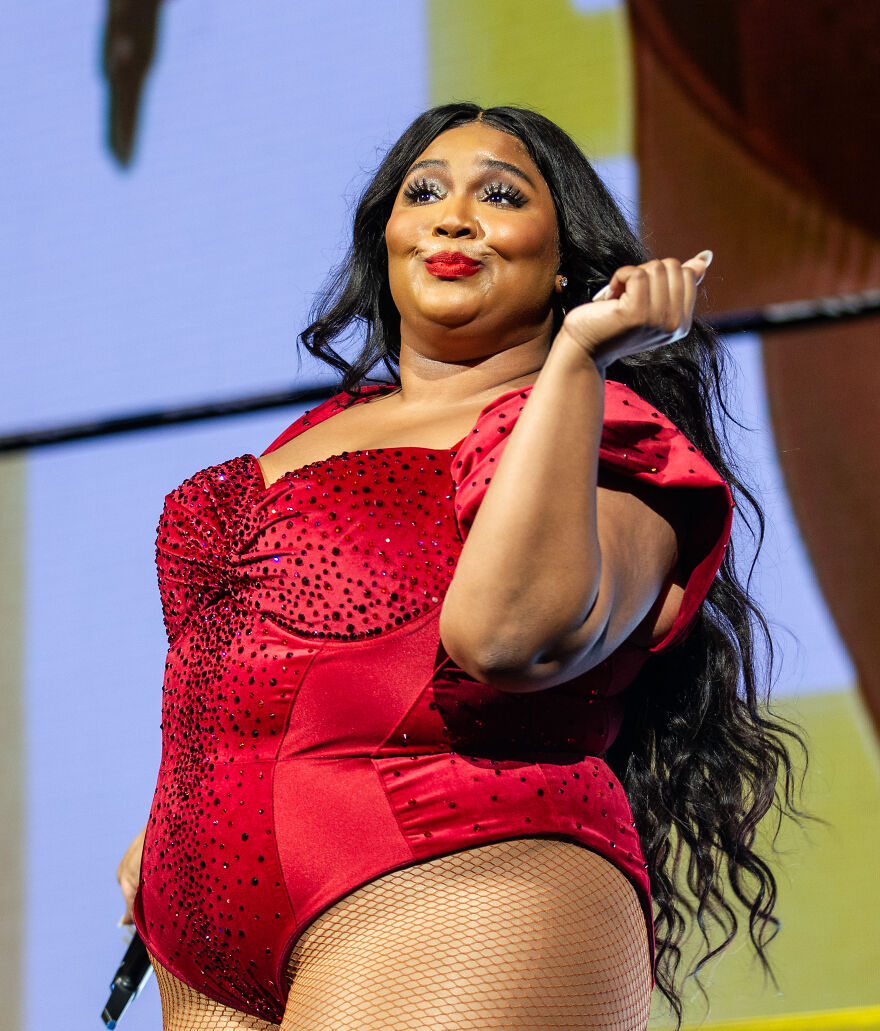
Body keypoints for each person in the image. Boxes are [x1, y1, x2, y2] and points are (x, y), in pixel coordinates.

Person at [117, 104, 801, 1031]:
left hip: (453, 868)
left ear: (565, 262)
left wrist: (578, 360)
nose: (453, 215)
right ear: (386, 238)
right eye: (425, 191)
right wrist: (182, 814)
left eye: (502, 194)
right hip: (201, 928)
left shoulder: (612, 440)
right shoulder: (316, 433)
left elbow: (508, 638)